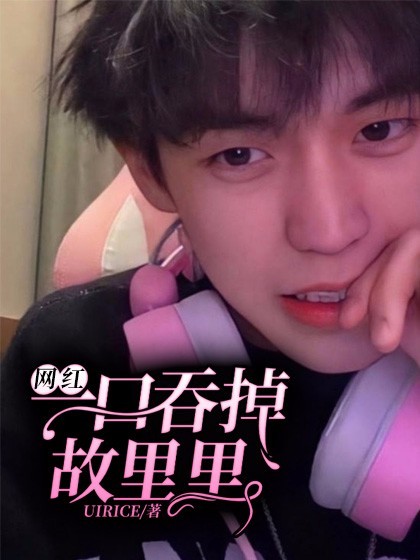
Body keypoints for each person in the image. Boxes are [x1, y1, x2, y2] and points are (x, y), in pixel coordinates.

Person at [2, 1, 420, 559]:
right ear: (150, 173)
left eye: (380, 129)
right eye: (238, 155)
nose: (327, 231)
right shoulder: (75, 362)